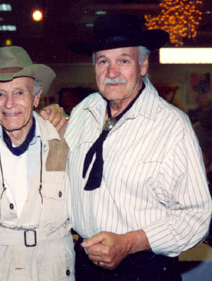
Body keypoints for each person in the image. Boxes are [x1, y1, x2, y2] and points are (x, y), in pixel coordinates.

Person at [65, 14, 212, 280]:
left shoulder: (170, 126)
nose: (112, 73)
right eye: (103, 61)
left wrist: (129, 243)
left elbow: (196, 216)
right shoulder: (81, 113)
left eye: (124, 60)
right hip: (85, 266)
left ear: (143, 65)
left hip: (144, 268)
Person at [0, 46, 75, 280]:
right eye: (0, 94)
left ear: (36, 97)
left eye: (19, 93)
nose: (9, 104)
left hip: (51, 270)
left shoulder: (66, 137)